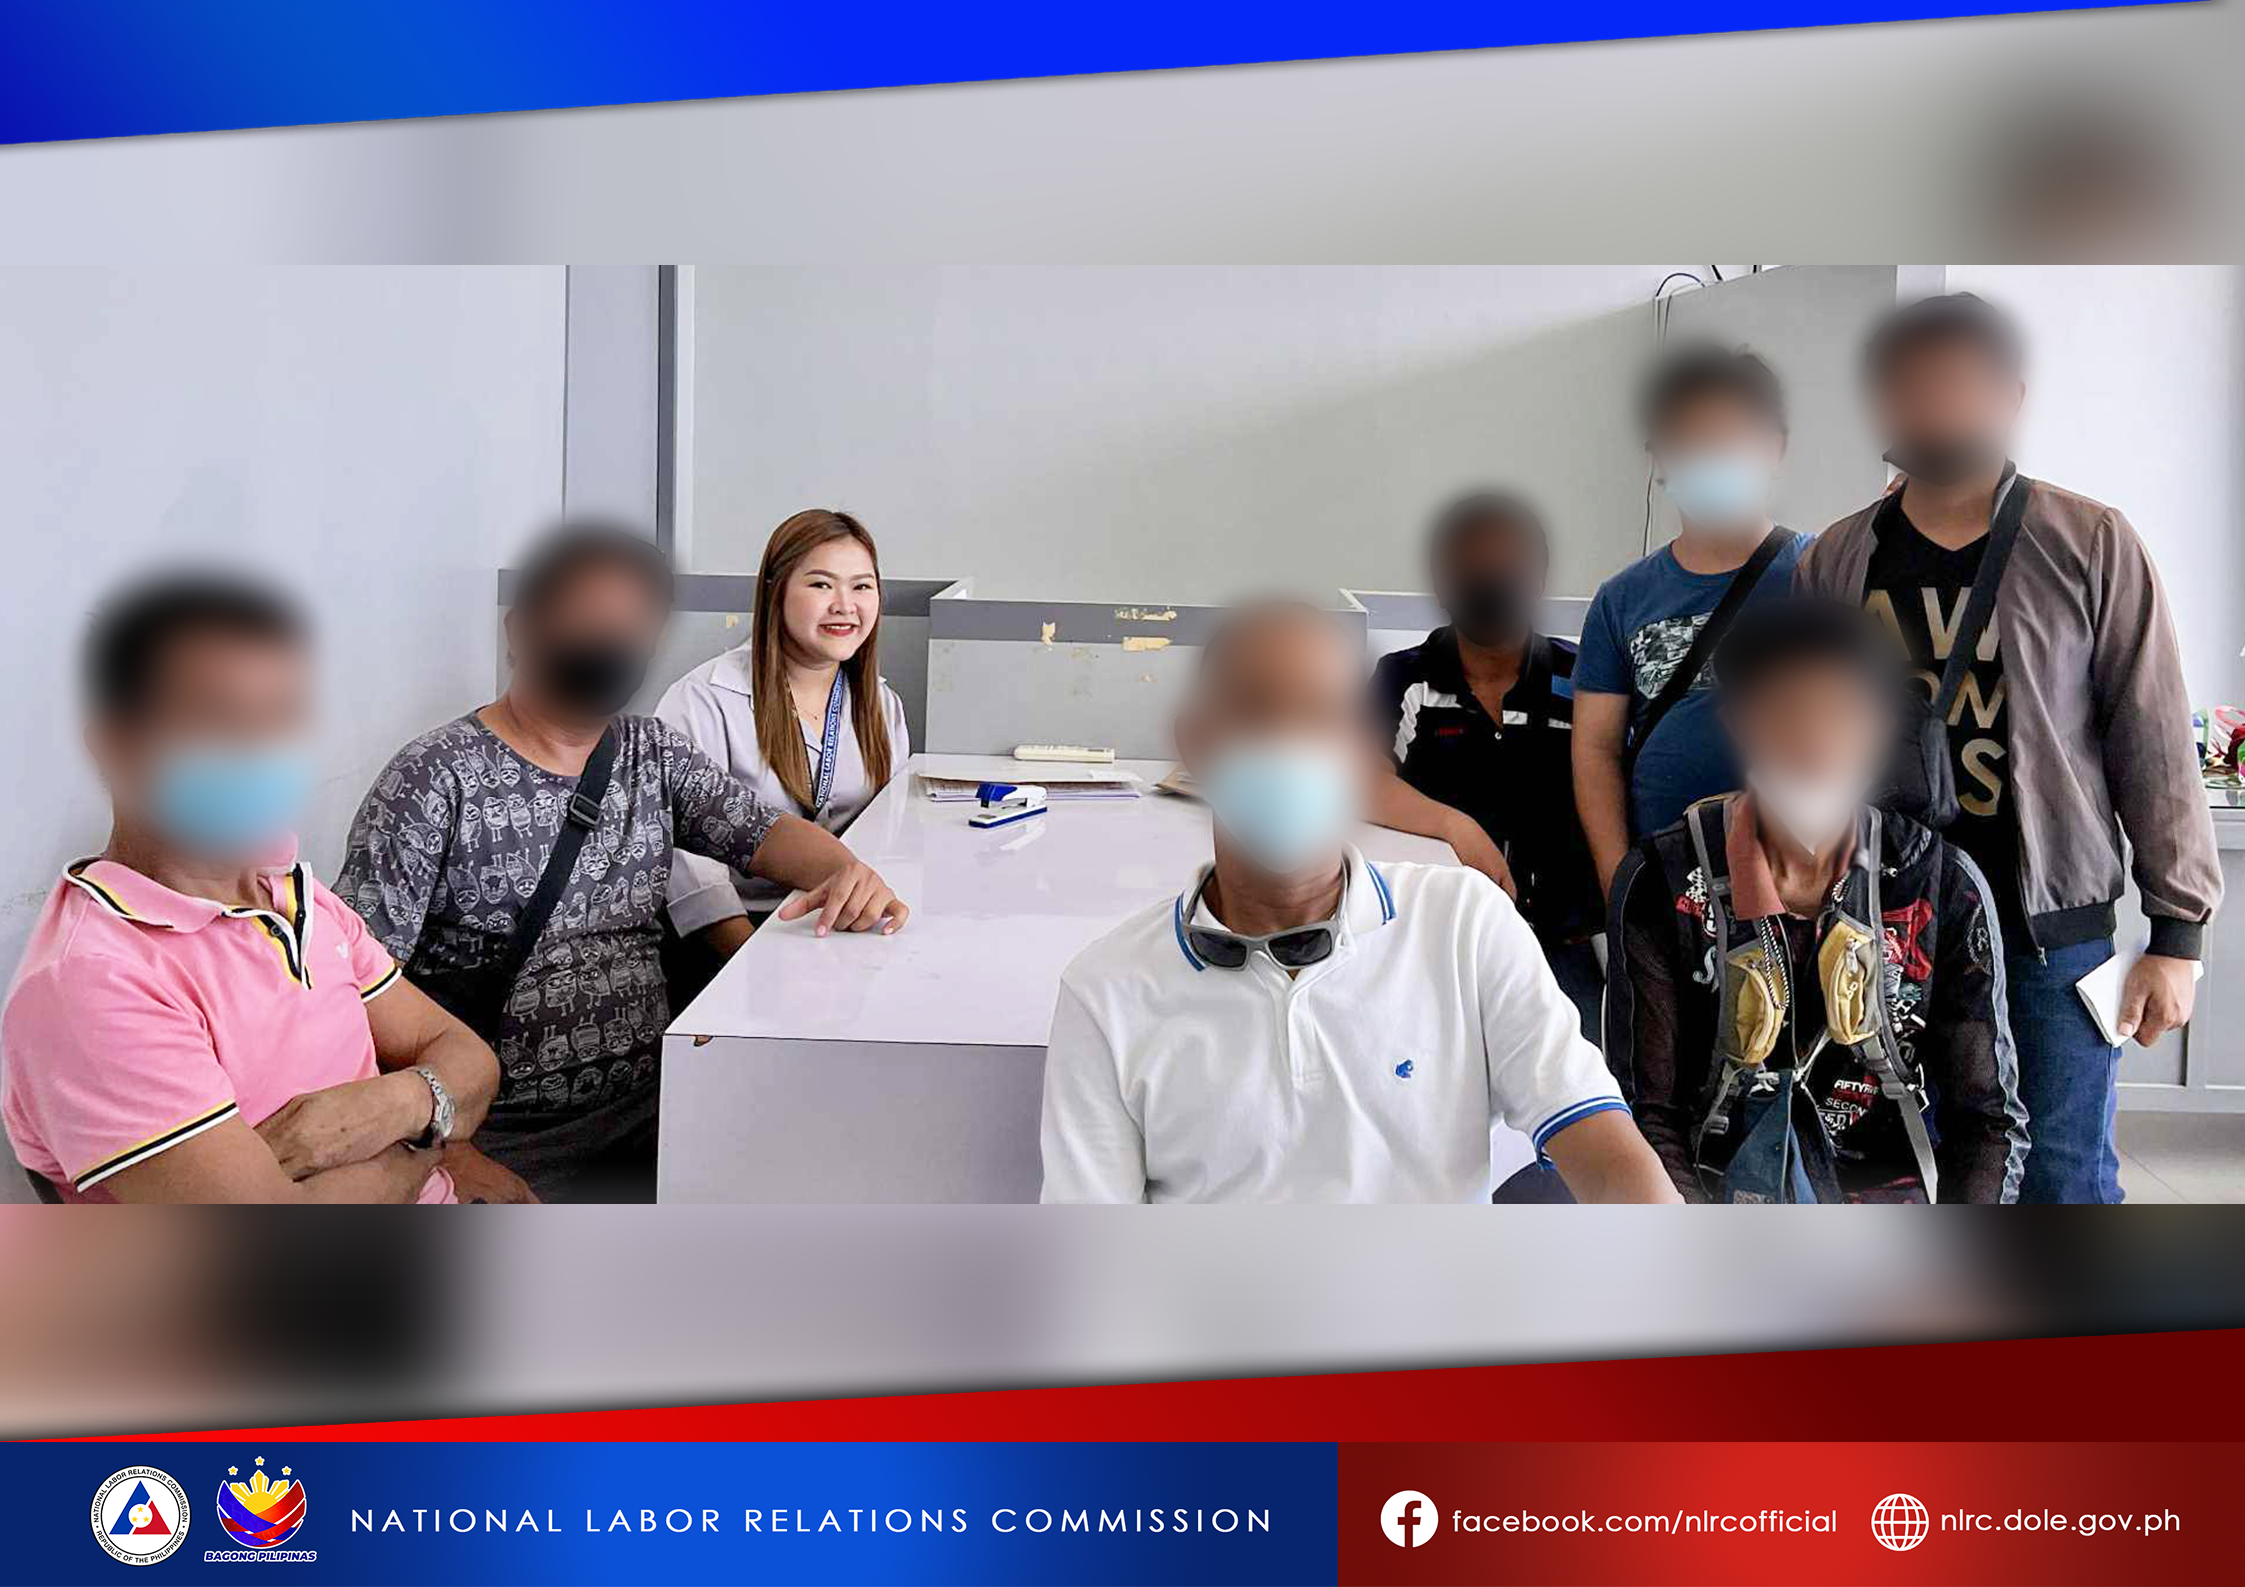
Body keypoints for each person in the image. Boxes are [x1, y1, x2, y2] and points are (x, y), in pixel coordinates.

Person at [1795, 292, 2221, 1203]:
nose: (1933, 407)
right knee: (1894, 1171)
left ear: (2007, 397)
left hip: (2049, 932)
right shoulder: (1835, 559)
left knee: (2060, 1176)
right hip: (1882, 922)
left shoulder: (2089, 543)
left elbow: (2151, 737)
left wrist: (2176, 934)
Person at [339, 522, 909, 1203]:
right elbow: (348, 991)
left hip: (655, 1107)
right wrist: (446, 1151)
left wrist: (842, 872)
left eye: (632, 627)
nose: (610, 641)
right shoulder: (433, 777)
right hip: (501, 1134)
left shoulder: (651, 753)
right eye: (587, 618)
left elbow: (763, 831)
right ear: (521, 629)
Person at [1038, 601, 1680, 1204]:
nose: (1288, 747)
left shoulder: (1464, 924)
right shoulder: (1108, 990)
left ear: (1361, 752)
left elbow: (1599, 1142)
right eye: (1255, 712)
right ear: (1197, 741)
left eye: (1321, 717)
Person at [2, 575, 499, 1203]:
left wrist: (392, 1105)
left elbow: (469, 1060)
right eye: (218, 721)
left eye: (283, 717)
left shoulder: (298, 897)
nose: (260, 749)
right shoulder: (92, 981)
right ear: (115, 744)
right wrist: (429, 1141)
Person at [1606, 598, 2029, 1203]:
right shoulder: (1663, 882)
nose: (1813, 743)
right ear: (1739, 724)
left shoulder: (1939, 884)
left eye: (1842, 714)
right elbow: (1648, 1116)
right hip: (1711, 1193)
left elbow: (1987, 1121)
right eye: (1783, 713)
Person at [1366, 491, 1603, 1039]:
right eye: (1470, 568)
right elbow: (1358, 779)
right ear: (1440, 580)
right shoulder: (1406, 677)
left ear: (1538, 578)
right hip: (1437, 941)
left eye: (1506, 566)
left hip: (1564, 949)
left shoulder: (1583, 678)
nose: (1489, 580)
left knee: (1574, 1079)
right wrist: (1455, 828)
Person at [1574, 346, 1805, 903]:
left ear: (1775, 449)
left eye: (1729, 438)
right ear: (1659, 457)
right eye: (1687, 441)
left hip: (1801, 884)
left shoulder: (1824, 573)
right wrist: (1619, 884)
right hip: (1666, 886)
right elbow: (1596, 749)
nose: (1709, 456)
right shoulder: (1621, 599)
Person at [656, 509, 910, 1002]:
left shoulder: (880, 705)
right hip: (731, 939)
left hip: (842, 932)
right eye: (821, 585)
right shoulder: (705, 699)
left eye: (862, 587)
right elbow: (686, 863)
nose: (845, 606)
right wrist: (750, 962)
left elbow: (889, 831)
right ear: (776, 591)